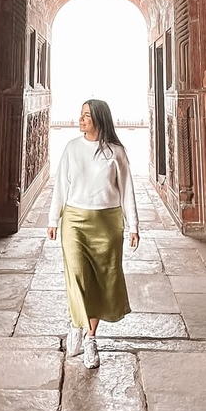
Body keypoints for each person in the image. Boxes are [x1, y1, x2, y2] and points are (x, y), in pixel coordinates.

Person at [47, 99, 139, 369]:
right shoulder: (72, 149)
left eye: (87, 115)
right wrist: (54, 219)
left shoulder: (116, 153)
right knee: (77, 275)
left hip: (107, 224)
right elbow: (60, 186)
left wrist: (133, 226)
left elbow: (127, 192)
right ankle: (77, 322)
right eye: (81, 114)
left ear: (100, 119)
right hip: (74, 221)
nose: (81, 119)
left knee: (101, 281)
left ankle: (89, 337)